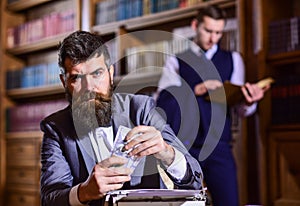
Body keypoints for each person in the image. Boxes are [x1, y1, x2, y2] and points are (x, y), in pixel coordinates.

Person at [40, 30, 203, 206]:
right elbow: (50, 199)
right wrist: (85, 191)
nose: (89, 88)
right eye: (77, 78)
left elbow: (194, 178)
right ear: (64, 82)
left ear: (110, 74)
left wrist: (166, 152)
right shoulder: (56, 128)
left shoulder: (141, 109)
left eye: (97, 73)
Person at [156, 5, 270, 206]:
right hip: (185, 148)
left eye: (218, 32)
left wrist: (249, 102)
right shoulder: (176, 60)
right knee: (185, 204)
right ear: (195, 26)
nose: (213, 38)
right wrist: (196, 89)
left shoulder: (233, 60)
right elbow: (162, 102)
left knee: (229, 202)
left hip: (219, 147)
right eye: (208, 31)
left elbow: (240, 110)